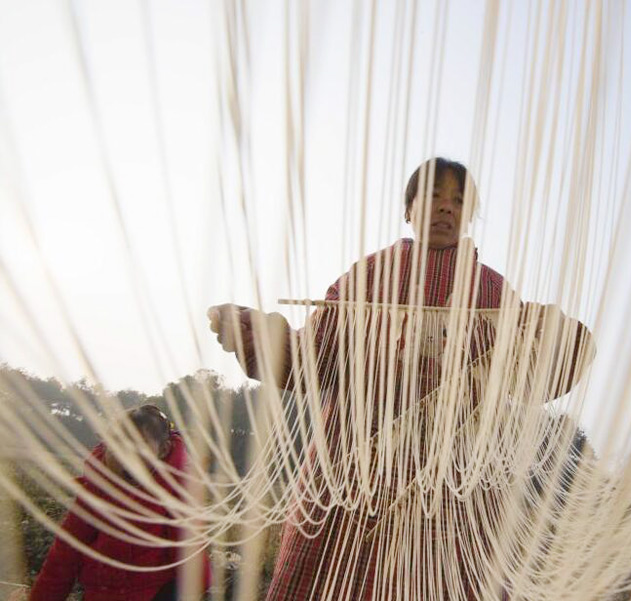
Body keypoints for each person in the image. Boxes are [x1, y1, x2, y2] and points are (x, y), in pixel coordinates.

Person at [208, 157, 594, 599]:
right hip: (352, 477)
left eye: (459, 201)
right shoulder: (369, 276)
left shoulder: (494, 293)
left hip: (452, 489)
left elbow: (524, 379)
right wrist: (257, 335)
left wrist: (562, 345)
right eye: (433, 196)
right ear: (408, 208)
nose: (447, 208)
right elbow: (313, 360)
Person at [27, 405, 208, 601]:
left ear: (163, 450)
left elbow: (193, 568)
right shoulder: (95, 492)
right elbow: (64, 557)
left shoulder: (173, 496)